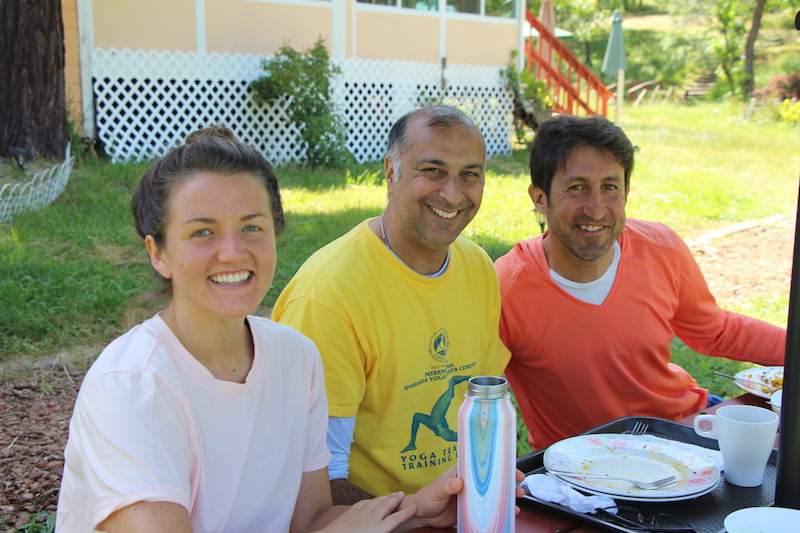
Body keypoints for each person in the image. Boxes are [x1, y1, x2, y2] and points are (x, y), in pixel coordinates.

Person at [55, 126, 467, 532]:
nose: (233, 252)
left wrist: (416, 510)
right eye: (203, 232)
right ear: (158, 252)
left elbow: (312, 520)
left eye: (252, 227)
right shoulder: (132, 386)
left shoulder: (295, 357)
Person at [496, 115, 786, 450]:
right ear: (539, 198)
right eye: (577, 188)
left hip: (689, 429)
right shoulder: (506, 286)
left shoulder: (660, 247)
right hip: (583, 469)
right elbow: (473, 392)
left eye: (610, 187)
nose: (596, 209)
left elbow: (714, 330)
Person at [272, 105, 511, 503]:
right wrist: (413, 512)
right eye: (433, 171)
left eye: (470, 175)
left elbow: (480, 413)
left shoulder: (477, 267)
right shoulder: (329, 295)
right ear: (390, 171)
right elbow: (314, 484)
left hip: (464, 505)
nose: (452, 194)